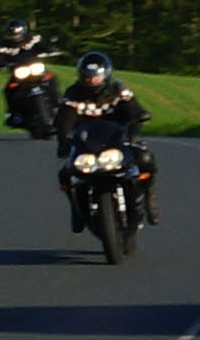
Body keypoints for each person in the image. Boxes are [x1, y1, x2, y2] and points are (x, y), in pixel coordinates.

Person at [54, 51, 160, 225]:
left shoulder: (117, 89)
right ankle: (76, 207)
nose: (92, 81)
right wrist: (64, 139)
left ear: (106, 75)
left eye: (96, 77)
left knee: (145, 158)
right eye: (87, 77)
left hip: (117, 139)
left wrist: (137, 121)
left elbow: (133, 109)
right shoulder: (73, 93)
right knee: (66, 172)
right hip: (87, 143)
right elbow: (64, 119)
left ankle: (148, 195)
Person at [0, 18, 61, 126]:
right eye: (13, 34)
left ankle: (58, 104)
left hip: (36, 68)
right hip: (18, 73)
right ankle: (13, 114)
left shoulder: (33, 39)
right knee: (8, 89)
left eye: (18, 34)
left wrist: (50, 49)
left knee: (51, 78)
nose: (16, 36)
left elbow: (45, 46)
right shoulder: (3, 46)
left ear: (24, 31)